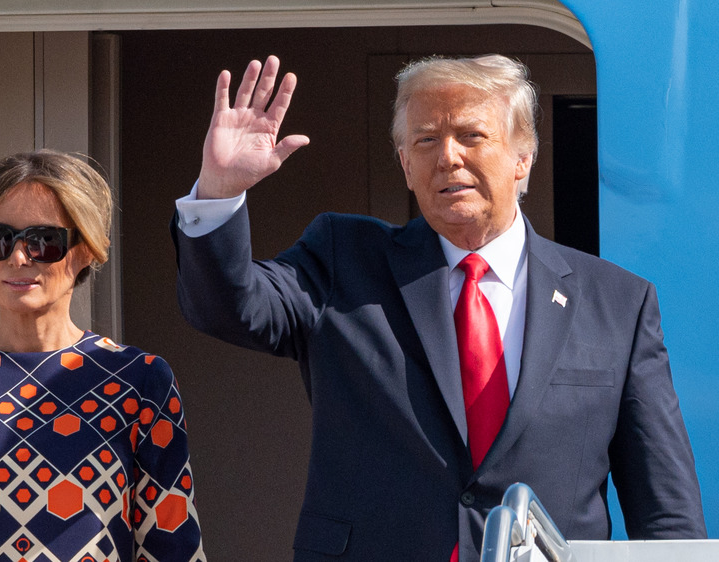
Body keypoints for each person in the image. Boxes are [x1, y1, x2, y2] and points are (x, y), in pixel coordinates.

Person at [171, 55, 705, 560]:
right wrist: (219, 190)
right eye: (426, 140)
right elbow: (230, 307)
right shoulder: (345, 260)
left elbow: (666, 511)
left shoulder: (617, 302)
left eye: (472, 135)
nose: (448, 155)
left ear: (524, 158)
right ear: (405, 165)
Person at [0, 150, 206, 561]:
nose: (17, 257)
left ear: (86, 249)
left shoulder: (139, 381)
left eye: (44, 241)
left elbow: (172, 548)